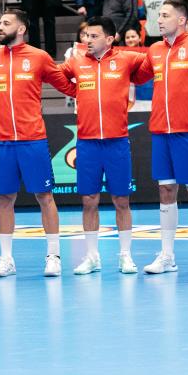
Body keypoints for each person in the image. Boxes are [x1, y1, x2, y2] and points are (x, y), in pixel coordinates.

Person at [0, 10, 76, 277]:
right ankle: (6, 259)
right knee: (5, 199)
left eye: (6, 23)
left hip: (33, 139)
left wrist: (94, 82)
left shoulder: (39, 57)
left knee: (45, 196)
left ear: (21, 29)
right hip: (2, 141)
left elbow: (68, 87)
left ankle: (53, 256)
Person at [59, 17, 147, 274]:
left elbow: (155, 61)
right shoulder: (76, 61)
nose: (88, 40)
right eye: (86, 35)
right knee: (89, 200)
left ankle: (125, 255)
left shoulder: (126, 59)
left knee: (121, 200)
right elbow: (56, 76)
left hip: (117, 142)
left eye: (94, 36)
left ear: (109, 39)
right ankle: (91, 256)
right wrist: (75, 91)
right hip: (87, 143)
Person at [136, 0, 188, 274]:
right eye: (158, 15)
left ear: (182, 20)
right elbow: (138, 75)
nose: (158, 20)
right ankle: (167, 256)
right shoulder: (154, 50)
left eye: (165, 15)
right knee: (166, 190)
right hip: (161, 131)